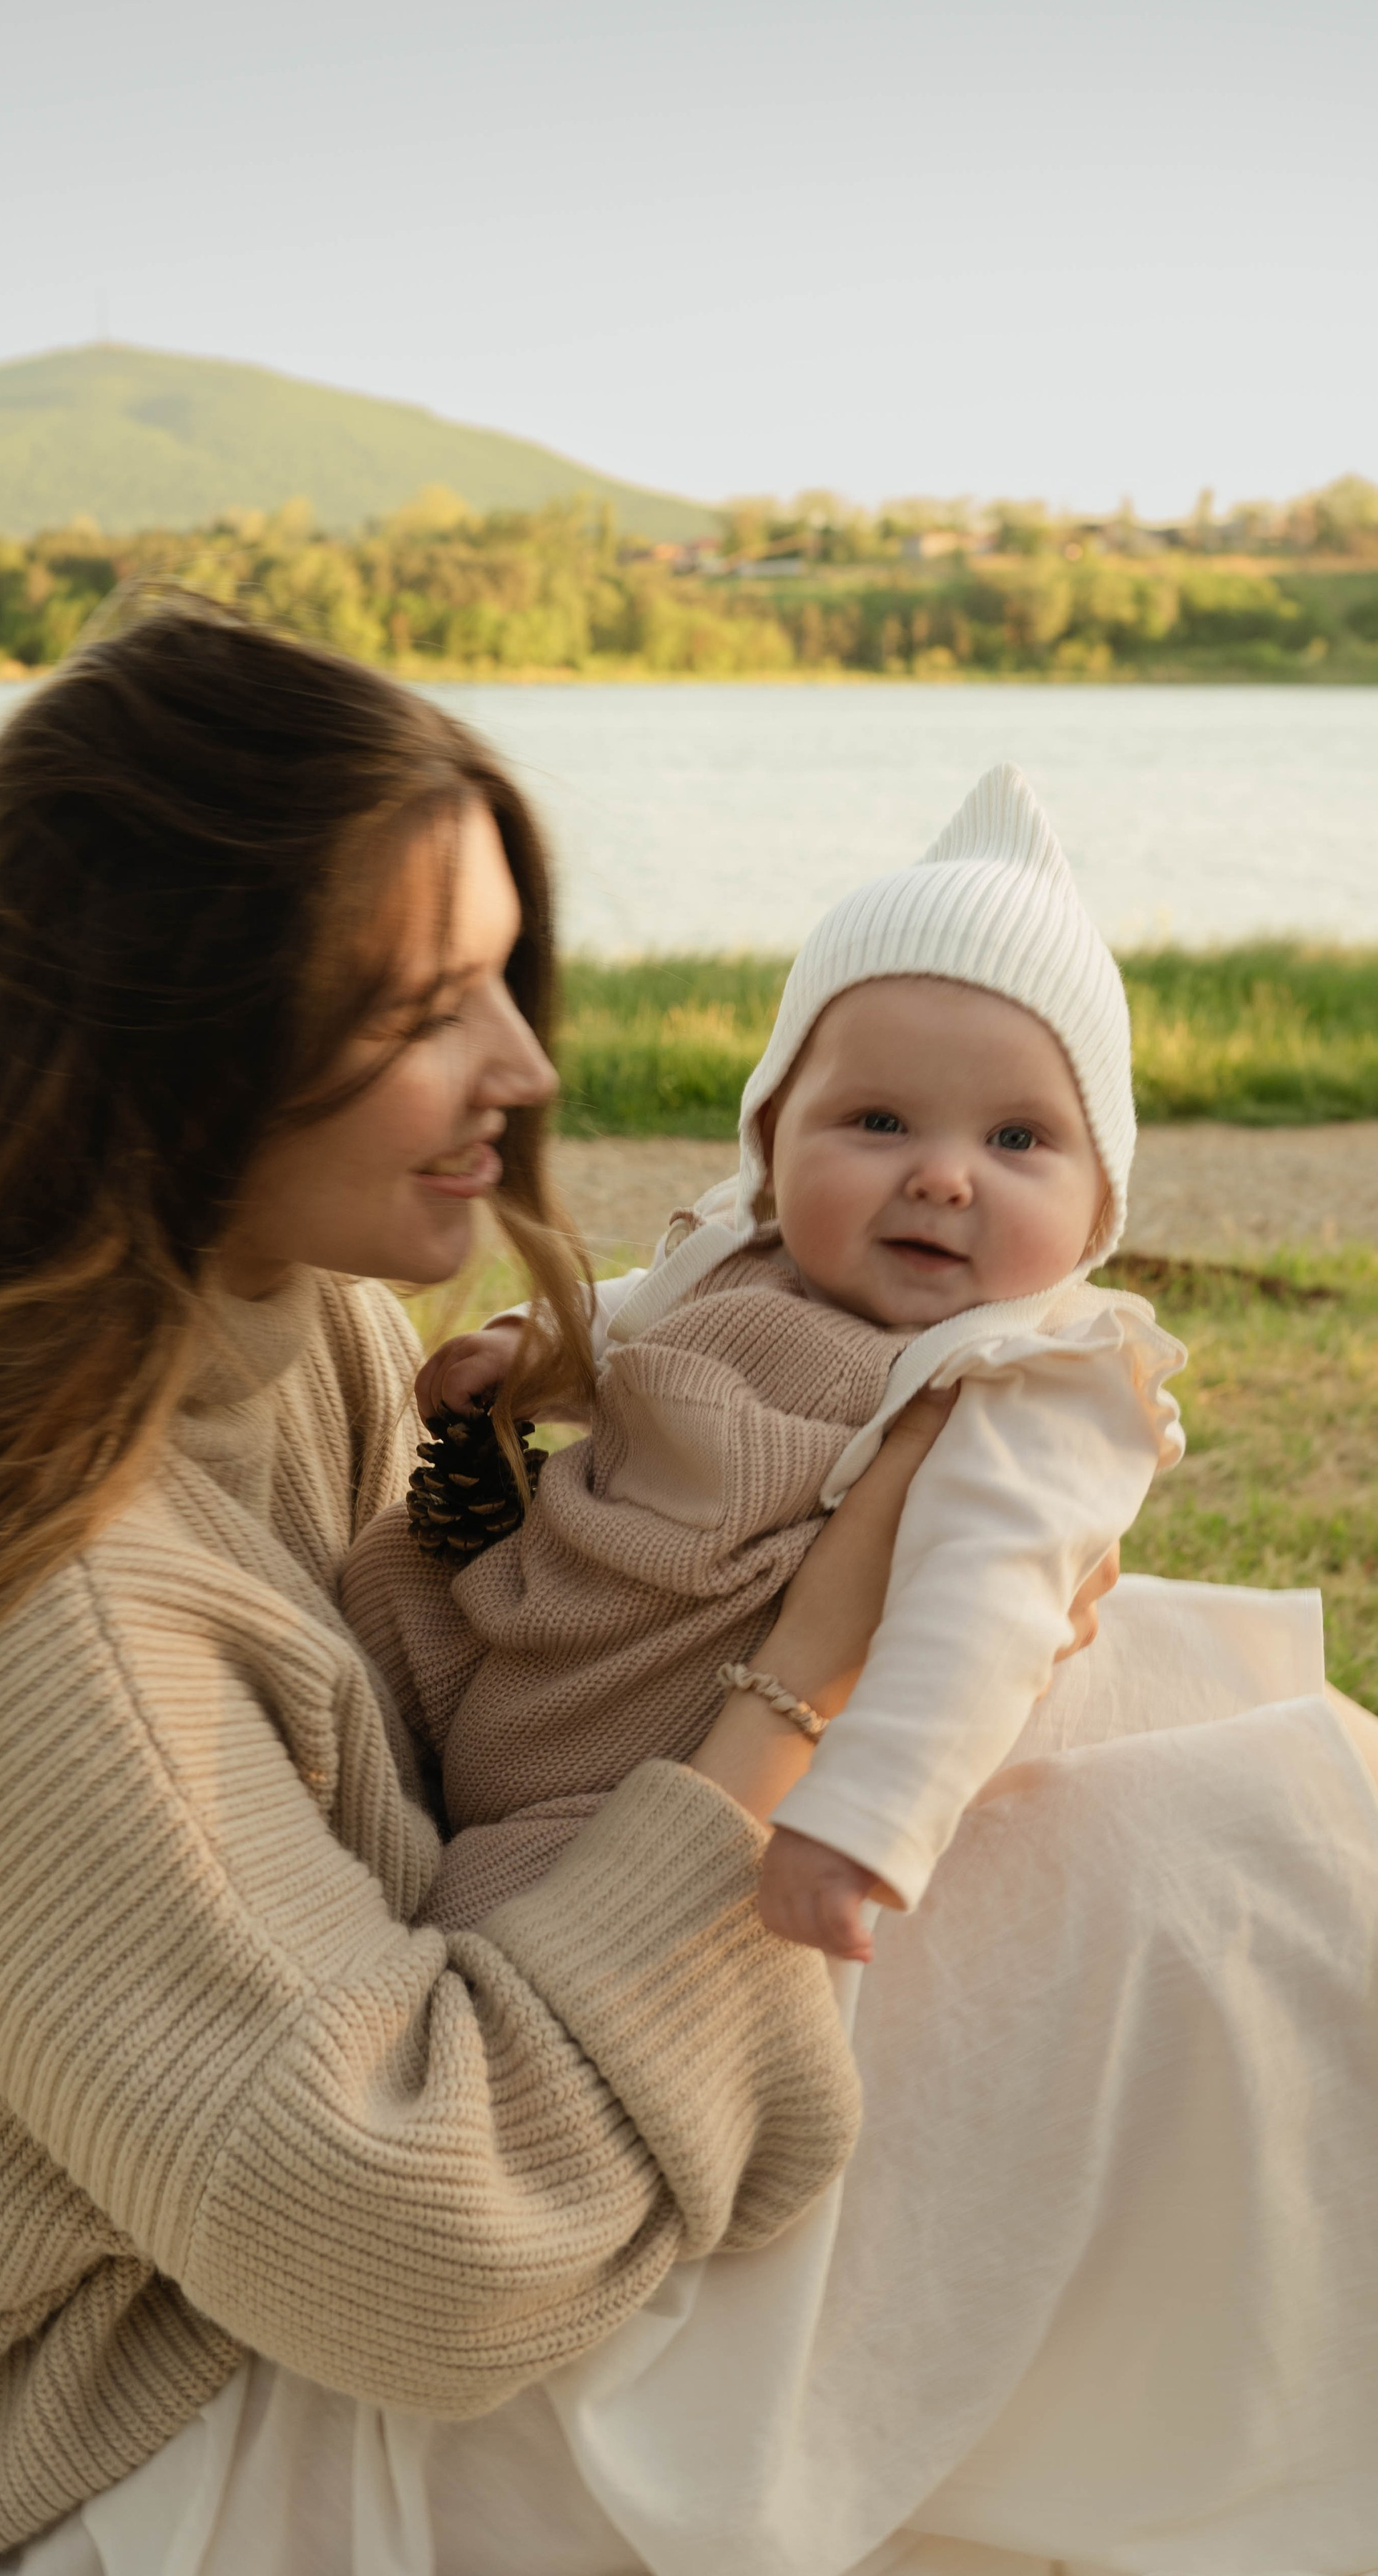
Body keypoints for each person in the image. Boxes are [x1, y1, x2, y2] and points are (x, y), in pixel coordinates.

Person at [0, 609, 1376, 2576]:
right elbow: (414, 2245)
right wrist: (804, 1674)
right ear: (182, 1036)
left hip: (275, 2220)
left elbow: (418, 1728)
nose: (524, 1068)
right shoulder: (33, 1598)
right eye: (431, 1007)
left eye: (509, 976)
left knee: (1180, 1721)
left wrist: (569, 1510)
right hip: (98, 2441)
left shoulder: (280, 1319)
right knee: (1197, 1882)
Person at [343, 768, 1186, 1960]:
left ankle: (421, 1958)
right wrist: (534, 1350)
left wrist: (863, 1825)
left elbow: (981, 1621)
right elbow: (634, 1319)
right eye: (880, 1123)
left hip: (660, 1758)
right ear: (772, 1140)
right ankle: (314, 1828)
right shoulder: (744, 1251)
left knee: (511, 1925)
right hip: (529, 1625)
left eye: (1017, 1139)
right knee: (374, 1592)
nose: (944, 1176)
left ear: (1101, 1198)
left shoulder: (1024, 1380)